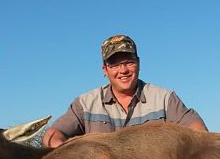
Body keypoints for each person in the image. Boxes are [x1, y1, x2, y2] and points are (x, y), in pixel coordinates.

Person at [43, 35, 208, 148]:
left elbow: (197, 129)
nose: (123, 70)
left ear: (138, 63)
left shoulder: (164, 98)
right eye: (114, 65)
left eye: (129, 62)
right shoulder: (85, 103)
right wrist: (66, 151)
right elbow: (53, 134)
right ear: (105, 70)